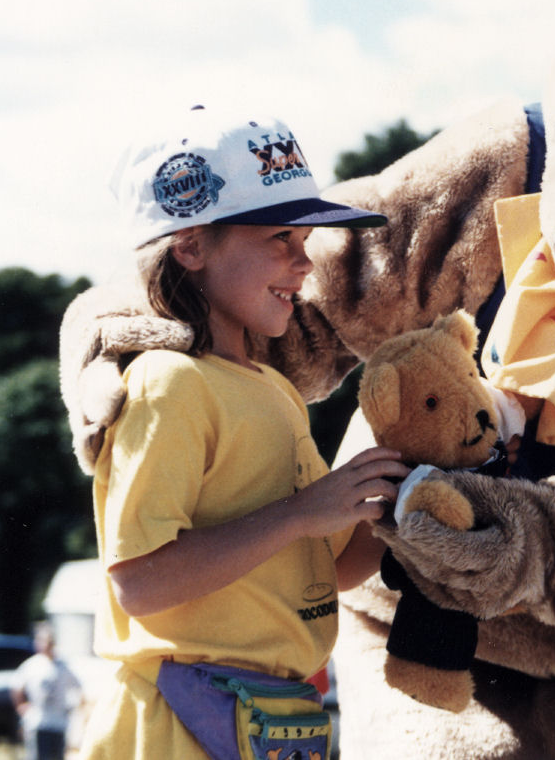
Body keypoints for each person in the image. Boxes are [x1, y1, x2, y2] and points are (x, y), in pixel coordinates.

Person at [76, 106, 411, 758]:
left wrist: (408, 496)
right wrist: (299, 513)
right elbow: (137, 584)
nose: (304, 264)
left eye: (303, 242)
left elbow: (328, 569)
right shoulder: (167, 383)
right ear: (192, 245)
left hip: (269, 721)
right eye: (278, 240)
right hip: (172, 726)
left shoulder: (274, 389)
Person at [12, 623, 82, 760]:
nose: (46, 645)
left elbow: (78, 687)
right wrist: (22, 707)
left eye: (49, 641)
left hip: (58, 723)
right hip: (38, 722)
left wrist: (75, 708)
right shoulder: (32, 665)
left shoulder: (63, 666)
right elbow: (16, 688)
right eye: (42, 641)